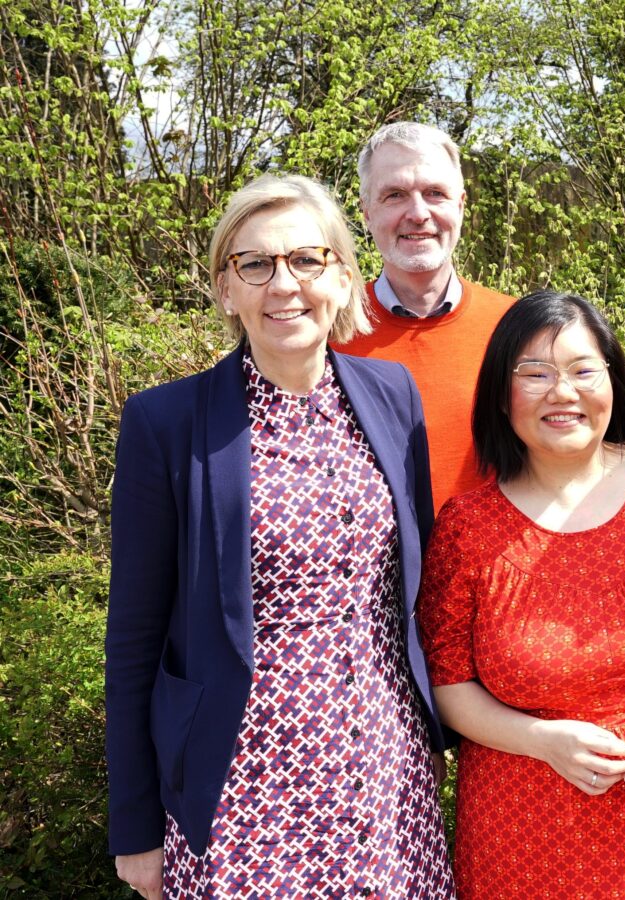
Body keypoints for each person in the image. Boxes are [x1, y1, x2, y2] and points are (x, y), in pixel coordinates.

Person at [105, 174, 454, 899]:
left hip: (384, 769)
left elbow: (414, 586)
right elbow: (134, 638)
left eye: (306, 259)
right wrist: (135, 825)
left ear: (343, 275)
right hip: (244, 778)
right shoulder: (165, 424)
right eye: (255, 264)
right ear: (226, 289)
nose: (283, 284)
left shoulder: (393, 396)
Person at [417, 290, 625, 898]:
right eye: (536, 374)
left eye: (581, 370)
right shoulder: (467, 528)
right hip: (523, 824)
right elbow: (447, 685)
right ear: (501, 394)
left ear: (614, 380)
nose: (562, 392)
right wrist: (544, 742)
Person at [339, 121, 514, 512]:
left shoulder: (517, 328)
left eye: (435, 193)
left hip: (492, 568)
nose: (418, 214)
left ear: (461, 205)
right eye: (395, 195)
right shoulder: (329, 332)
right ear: (366, 212)